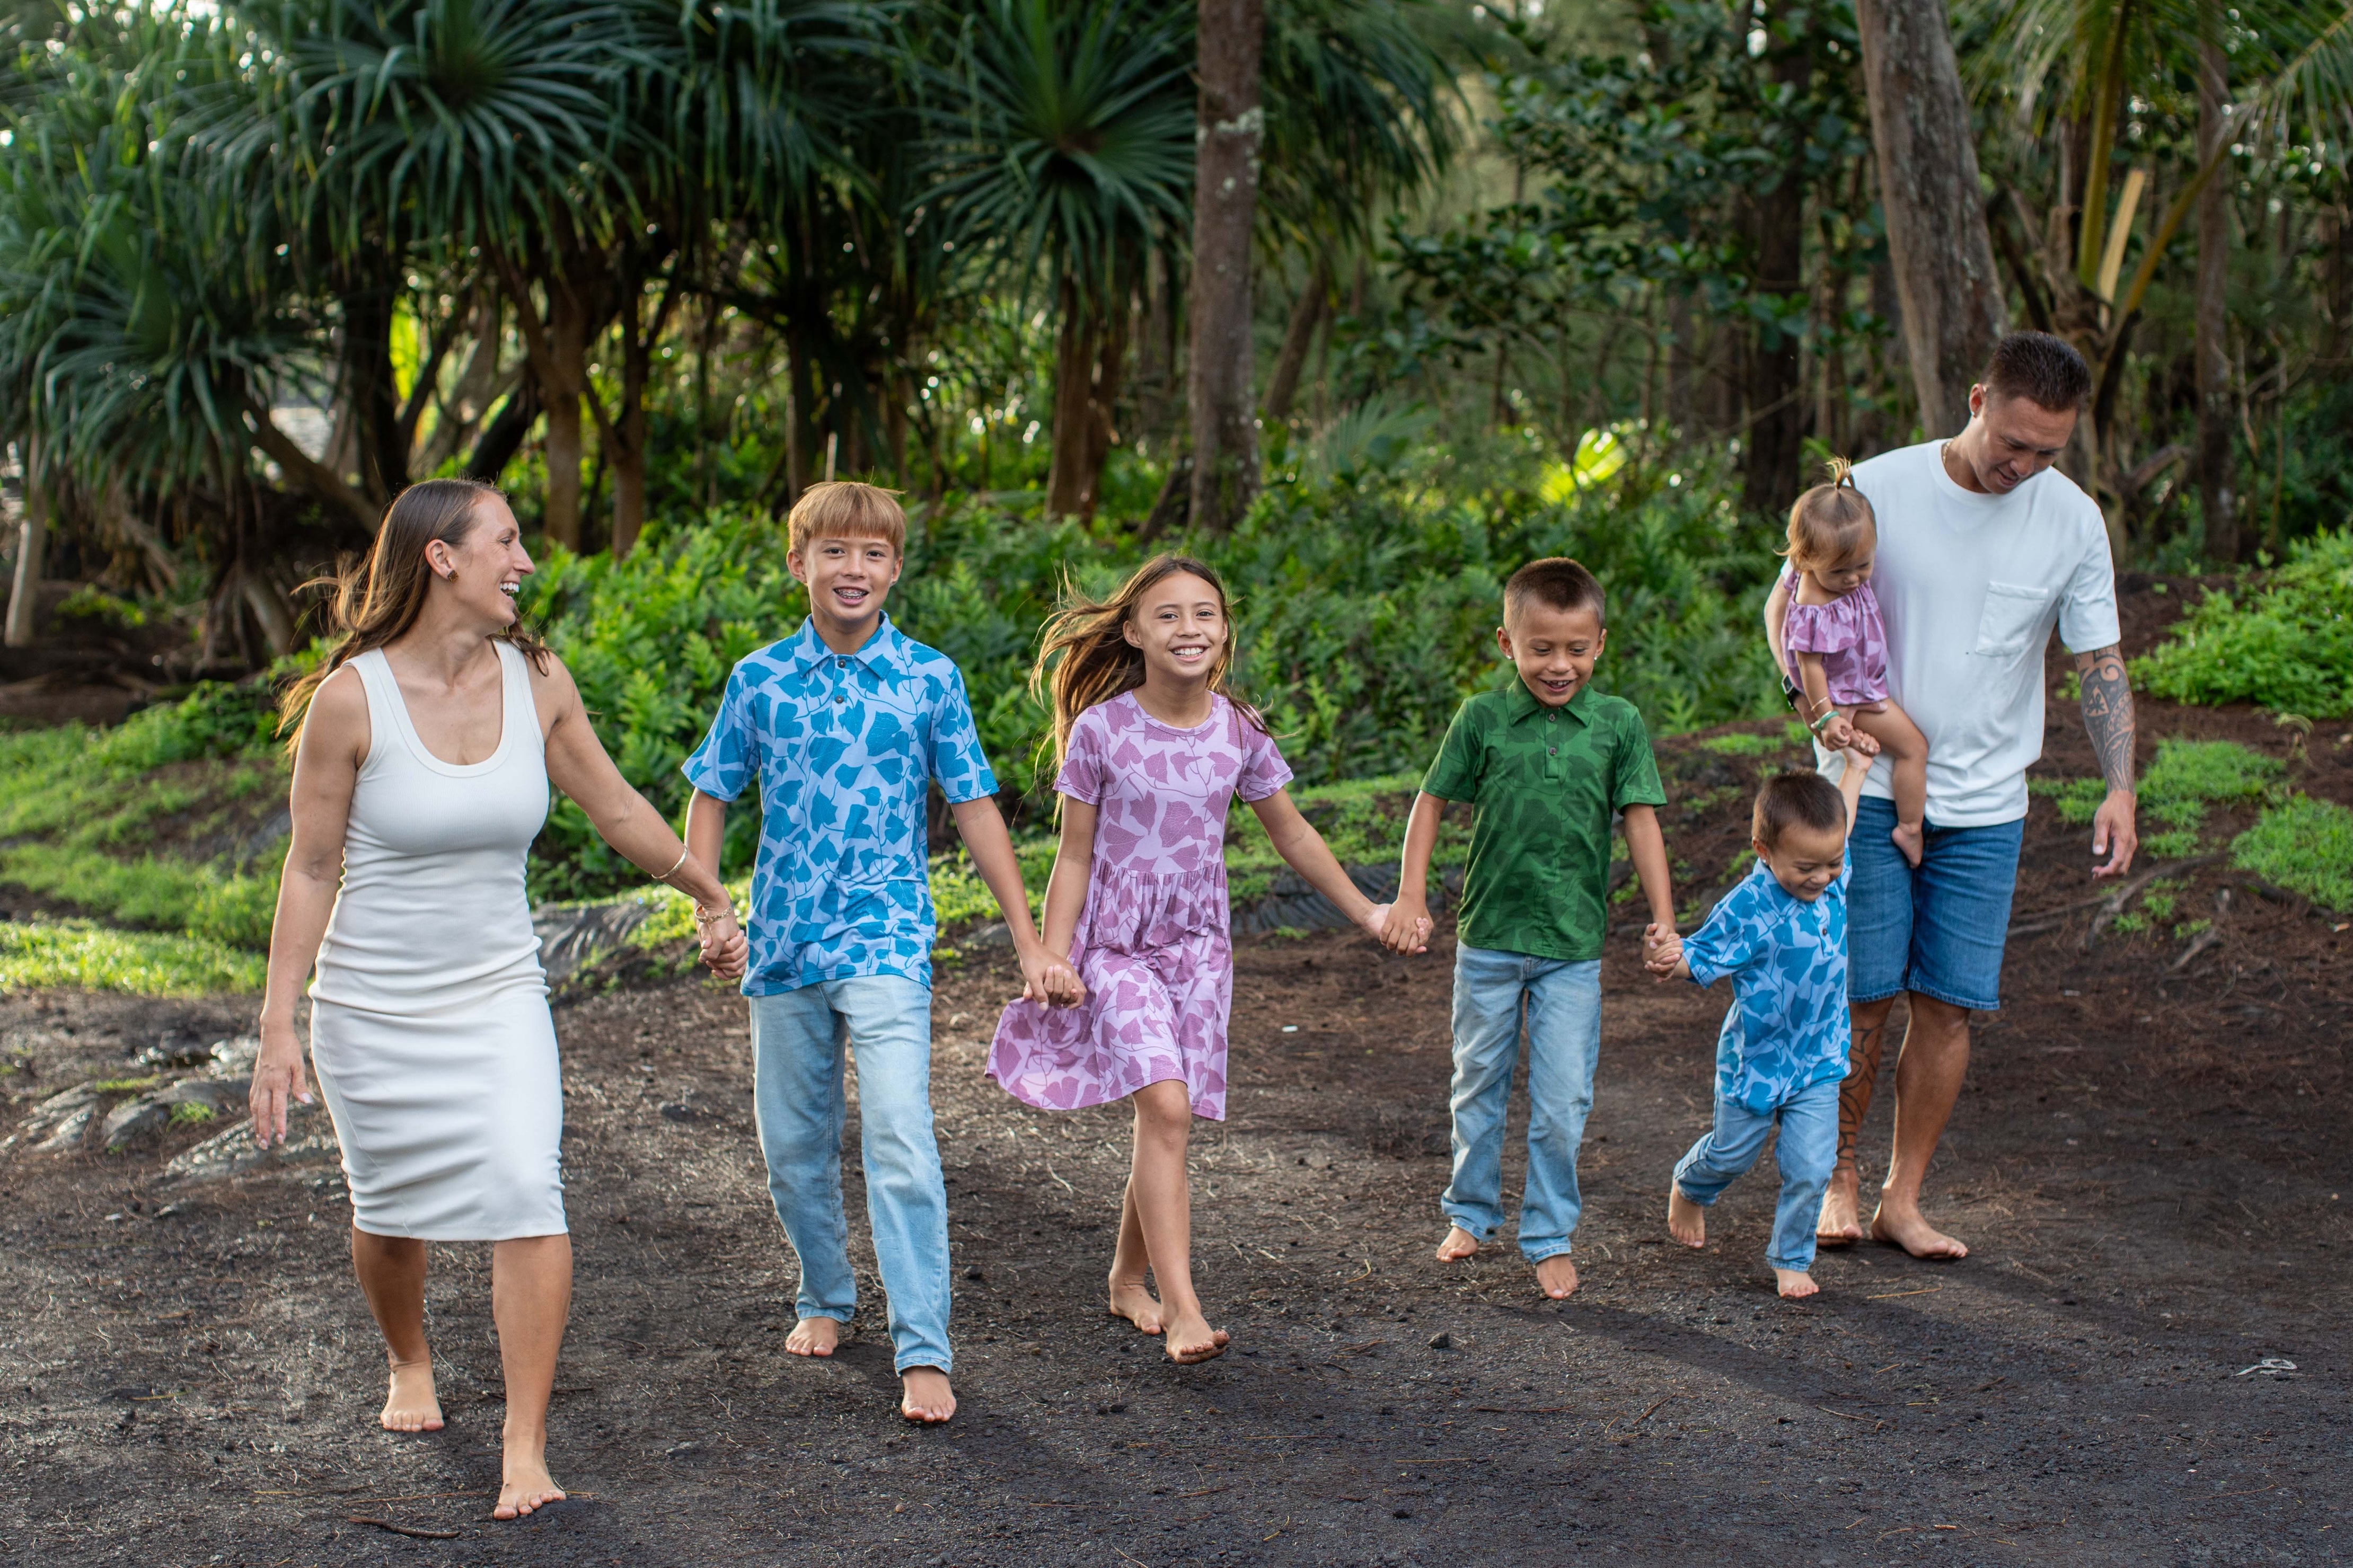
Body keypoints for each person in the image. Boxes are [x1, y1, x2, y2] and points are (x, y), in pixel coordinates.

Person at [248, 478, 747, 1522]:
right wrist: (277, 1024)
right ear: (442, 559)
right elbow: (310, 867)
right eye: (506, 541)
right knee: (388, 1217)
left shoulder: (538, 678)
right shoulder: (352, 699)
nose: (524, 561)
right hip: (373, 1004)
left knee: (527, 1185)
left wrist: (707, 893)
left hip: (497, 991)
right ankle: (408, 1358)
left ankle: (524, 1446)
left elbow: (610, 803)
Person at [680, 481, 1070, 1425]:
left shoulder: (928, 678)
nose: (851, 568)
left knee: (898, 1129)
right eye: (832, 551)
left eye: (871, 553)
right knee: (793, 1145)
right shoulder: (758, 679)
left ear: (895, 568)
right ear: (799, 564)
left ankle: (923, 1343)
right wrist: (708, 909)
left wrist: (1027, 938)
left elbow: (974, 802)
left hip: (888, 931)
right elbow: (710, 791)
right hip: (781, 939)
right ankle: (823, 1292)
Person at [988, 556, 1425, 1363]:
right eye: (1167, 615)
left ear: (1223, 629)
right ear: (1132, 632)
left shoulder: (1238, 730)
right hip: (1116, 947)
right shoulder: (1102, 730)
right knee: (1167, 1108)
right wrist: (1050, 951)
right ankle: (1185, 1307)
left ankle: (1126, 1277)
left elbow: (1290, 832)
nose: (1188, 629)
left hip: (1198, 950)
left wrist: (1367, 908)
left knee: (1166, 1116)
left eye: (1204, 614)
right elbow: (1073, 855)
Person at [1765, 330, 2140, 1260]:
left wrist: (2117, 785)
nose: (2021, 464)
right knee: (1859, 995)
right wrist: (1814, 713)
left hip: (1987, 805)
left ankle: (1903, 1195)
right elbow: (1786, 608)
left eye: (2045, 451)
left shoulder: (2070, 520)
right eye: (2010, 440)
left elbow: (2097, 659)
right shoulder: (1878, 489)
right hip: (1860, 792)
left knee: (1948, 1004)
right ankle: (1836, 1179)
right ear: (1976, 401)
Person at [1381, 557, 1678, 1300]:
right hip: (1487, 940)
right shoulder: (1480, 718)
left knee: (1559, 1101)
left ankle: (1547, 1233)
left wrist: (1663, 917)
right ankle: (1471, 1213)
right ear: (1504, 643)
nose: (1558, 664)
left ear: (1600, 643)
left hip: (1572, 949)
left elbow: (1640, 820)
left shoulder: (1617, 724)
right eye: (1540, 647)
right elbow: (1429, 802)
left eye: (1575, 648)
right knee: (1476, 1084)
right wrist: (1410, 895)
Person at [1644, 757, 1871, 1299]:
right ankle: (1689, 1184)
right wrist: (1665, 958)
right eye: (1805, 867)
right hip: (1757, 1061)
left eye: (1831, 862)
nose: (1820, 877)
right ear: (1763, 851)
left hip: (1818, 1058)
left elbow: (1845, 820)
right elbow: (1699, 952)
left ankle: (1791, 1257)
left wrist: (1857, 771)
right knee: (1731, 1153)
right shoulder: (1749, 907)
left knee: (1812, 1165)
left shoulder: (1831, 880)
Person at [1776, 460, 1930, 867]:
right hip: (1849, 694)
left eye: (1863, 566)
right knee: (1914, 748)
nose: (1854, 580)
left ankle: (1855, 749)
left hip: (1855, 686)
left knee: (1866, 752)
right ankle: (1909, 828)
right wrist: (1826, 716)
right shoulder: (1812, 607)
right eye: (1840, 571)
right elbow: (1808, 667)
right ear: (1805, 558)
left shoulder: (1813, 575)